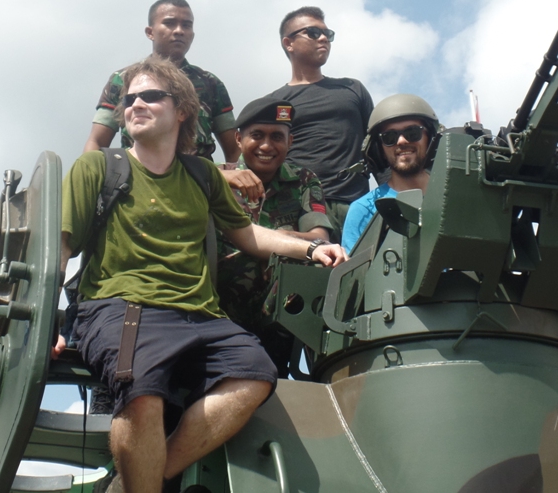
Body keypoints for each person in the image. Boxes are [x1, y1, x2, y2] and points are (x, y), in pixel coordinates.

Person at [55, 57, 346, 493]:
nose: (135, 105)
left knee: (255, 374)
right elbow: (60, 249)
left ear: (182, 110)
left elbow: (248, 234)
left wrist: (311, 248)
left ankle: (147, 478)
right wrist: (47, 322)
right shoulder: (98, 167)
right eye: (129, 99)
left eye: (150, 96)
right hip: (123, 305)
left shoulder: (202, 174)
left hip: (199, 314)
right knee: (142, 393)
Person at [216, 96, 334, 375]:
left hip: (280, 310)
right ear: (238, 139)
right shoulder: (216, 178)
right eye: (257, 135)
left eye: (277, 137)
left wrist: (279, 238)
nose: (267, 146)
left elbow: (320, 238)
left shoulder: (304, 181)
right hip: (220, 304)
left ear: (290, 142)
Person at [83, 0, 240, 162]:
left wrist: (233, 175)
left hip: (199, 176)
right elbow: (97, 141)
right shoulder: (123, 80)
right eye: (169, 23)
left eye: (186, 25)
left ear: (192, 34)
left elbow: (234, 148)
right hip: (138, 174)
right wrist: (91, 174)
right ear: (150, 32)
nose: (179, 31)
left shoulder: (210, 83)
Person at [267, 6, 374, 242]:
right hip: (299, 209)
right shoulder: (274, 103)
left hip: (355, 207)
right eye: (313, 33)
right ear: (288, 43)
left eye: (328, 34)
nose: (324, 38)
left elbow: (379, 149)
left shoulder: (352, 89)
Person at [341, 94, 442, 253]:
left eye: (412, 132)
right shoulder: (364, 210)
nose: (401, 141)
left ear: (430, 138)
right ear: (378, 149)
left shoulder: (454, 194)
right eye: (389, 137)